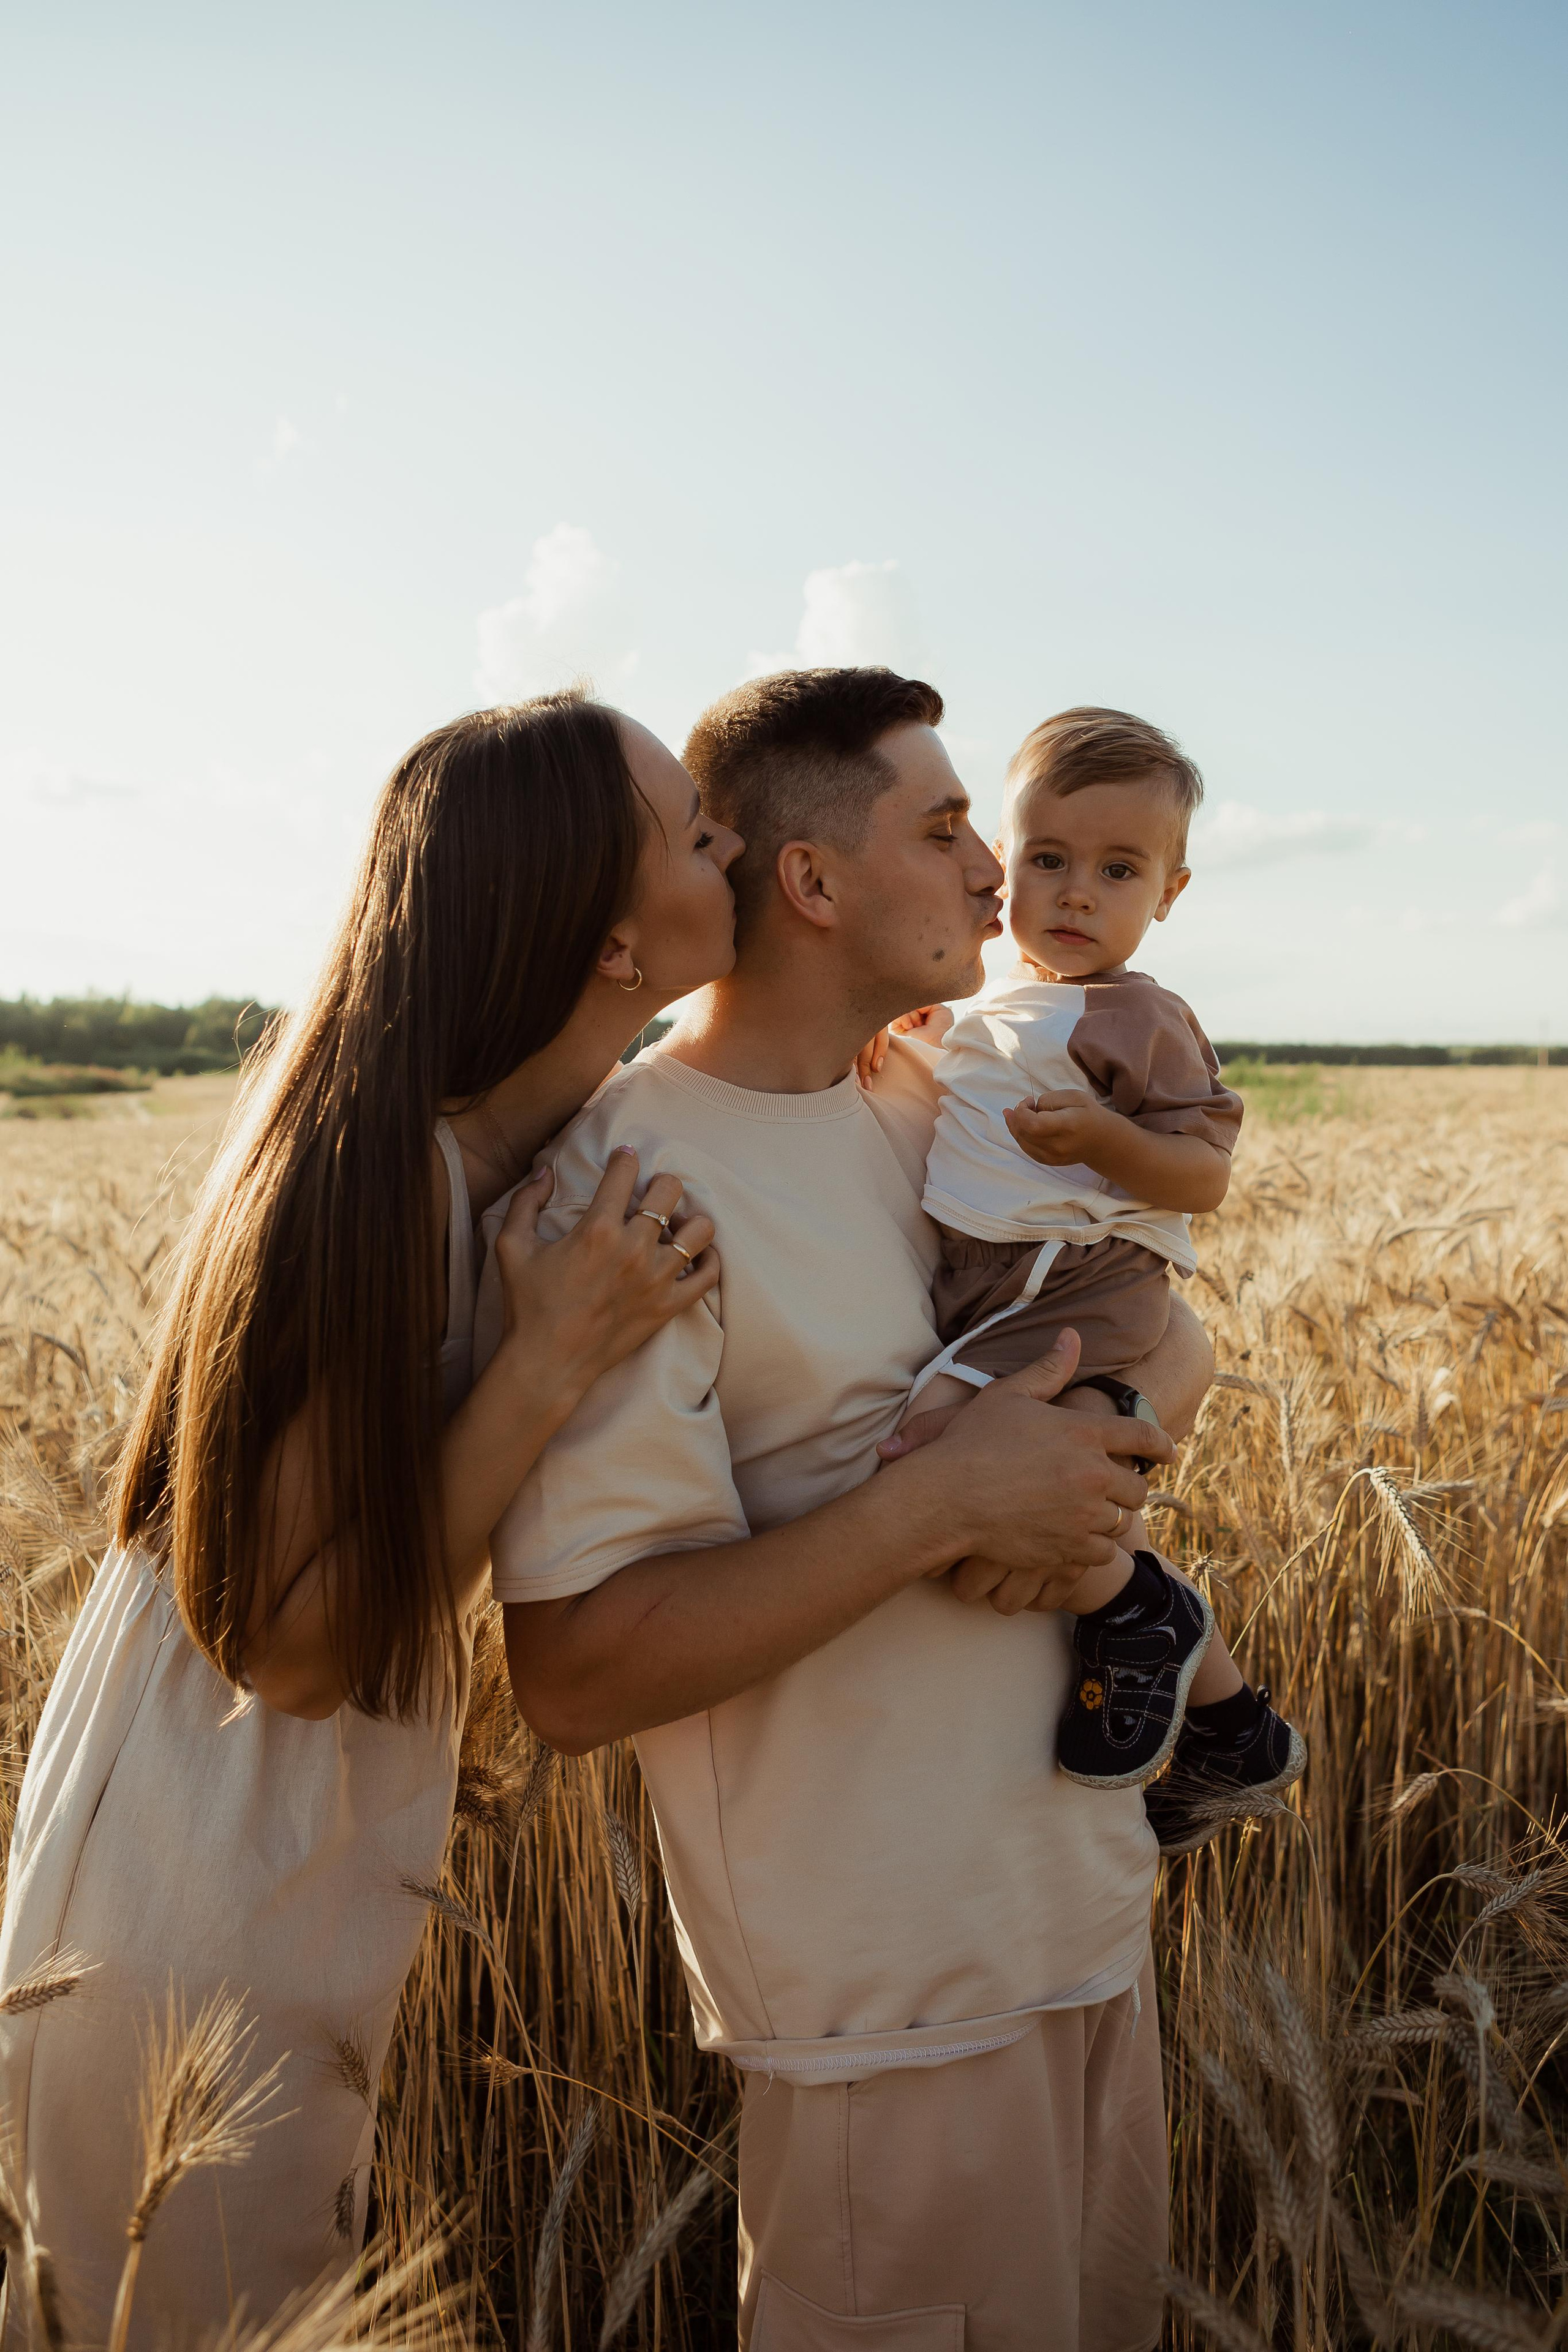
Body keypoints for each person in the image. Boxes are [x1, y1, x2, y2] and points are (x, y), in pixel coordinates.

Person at [0, 692, 741, 2349]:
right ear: (603, 934)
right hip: (206, 1882)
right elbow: (290, 1645)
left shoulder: (461, 1152)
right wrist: (550, 1359)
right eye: (697, 829)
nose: (737, 842)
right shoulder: (391, 1170)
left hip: (255, 1864)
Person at [486, 667, 1215, 2351]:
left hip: (1088, 1929)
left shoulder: (939, 1103)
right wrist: (943, 1503)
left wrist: (1100, 1443)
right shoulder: (628, 1184)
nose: (996, 872)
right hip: (885, 2007)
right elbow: (577, 1672)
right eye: (947, 825)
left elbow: (1170, 1331)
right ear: (811, 883)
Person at [880, 706, 1306, 1844]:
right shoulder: (1005, 1002)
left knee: (936, 1448)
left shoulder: (1142, 1017)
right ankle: (1234, 1727)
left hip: (1073, 1284)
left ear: (1168, 894)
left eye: (1118, 870)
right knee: (1046, 1486)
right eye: (1049, 860)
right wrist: (913, 1029)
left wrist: (1106, 1144)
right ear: (1002, 865)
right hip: (1009, 1281)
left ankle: (1134, 1614)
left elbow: (1203, 1176)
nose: (1076, 894)